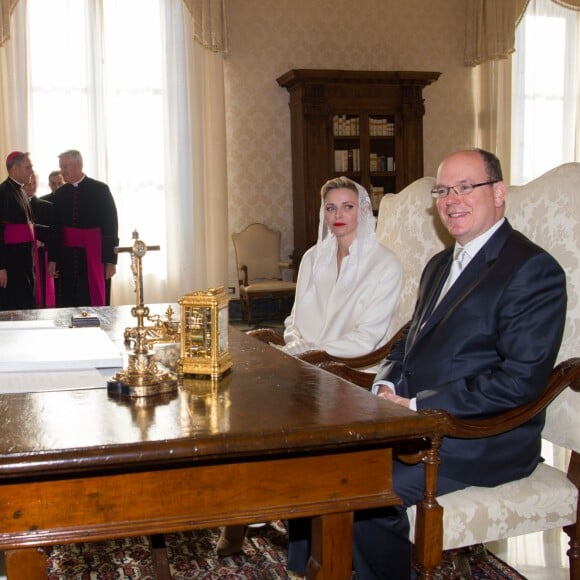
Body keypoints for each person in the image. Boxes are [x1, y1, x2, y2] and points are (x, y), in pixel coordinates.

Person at [286, 148, 567, 580]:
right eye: (443, 190)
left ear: (498, 193)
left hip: (481, 434)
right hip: (413, 419)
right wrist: (383, 385)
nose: (451, 199)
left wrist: (418, 407)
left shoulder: (531, 270)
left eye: (465, 187)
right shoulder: (440, 264)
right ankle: (314, 570)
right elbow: (406, 344)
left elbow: (520, 381)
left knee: (359, 486)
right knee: (315, 455)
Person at [217, 175, 404, 558]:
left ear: (364, 211)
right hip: (303, 363)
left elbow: (367, 339)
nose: (339, 215)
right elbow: (294, 321)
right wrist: (296, 349)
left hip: (351, 372)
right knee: (241, 401)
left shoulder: (384, 264)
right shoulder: (312, 257)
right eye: (331, 207)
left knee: (269, 408)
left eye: (348, 206)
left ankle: (271, 510)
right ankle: (248, 504)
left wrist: (307, 356)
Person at [48, 149, 119, 307]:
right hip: (66, 258)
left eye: (65, 167)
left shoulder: (100, 189)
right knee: (67, 301)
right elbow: (55, 229)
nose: (62, 172)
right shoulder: (60, 194)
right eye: (61, 167)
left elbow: (111, 226)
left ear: (78, 165)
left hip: (95, 256)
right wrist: (52, 259)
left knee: (92, 302)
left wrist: (110, 260)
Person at [0, 151, 36, 310]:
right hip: (11, 263)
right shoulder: (3, 192)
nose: (32, 172)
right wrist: (1, 267)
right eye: (28, 167)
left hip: (24, 260)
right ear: (14, 169)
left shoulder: (21, 191)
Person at [23, 173, 55, 308]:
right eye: (28, 183)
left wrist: (43, 243)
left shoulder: (47, 206)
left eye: (34, 183)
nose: (31, 186)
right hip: (23, 257)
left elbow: (54, 233)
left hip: (42, 257)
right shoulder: (16, 204)